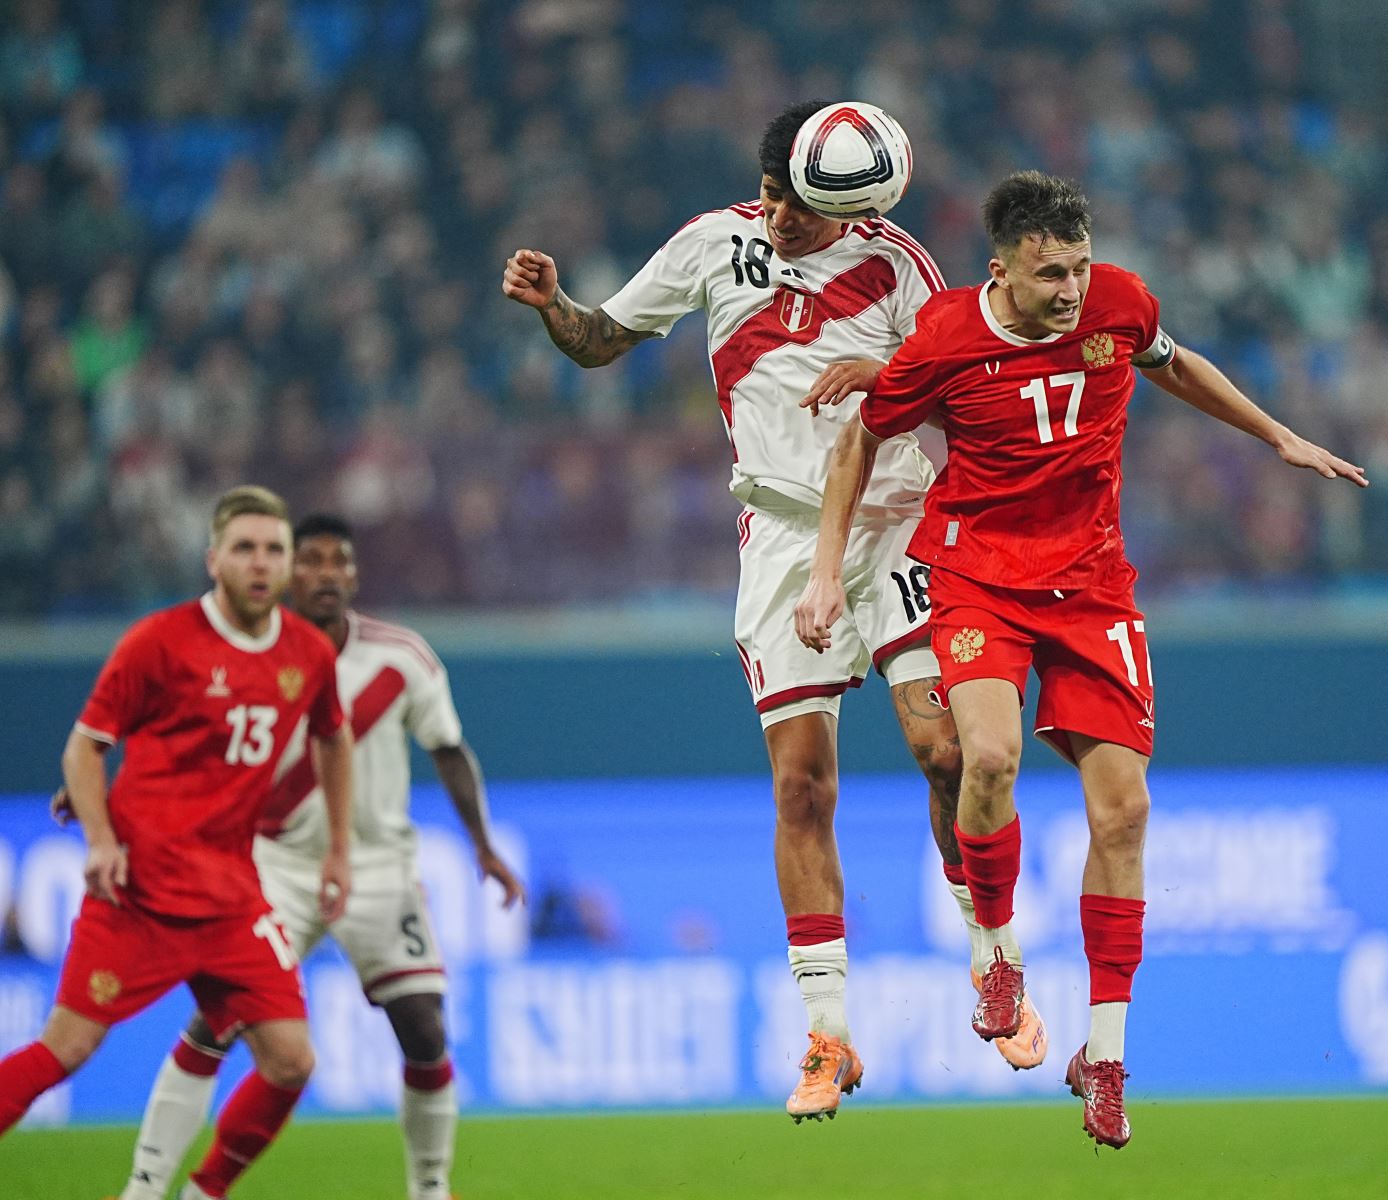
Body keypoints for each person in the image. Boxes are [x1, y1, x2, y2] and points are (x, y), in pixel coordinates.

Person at [795, 171, 1367, 1147]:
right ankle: (999, 950)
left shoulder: (1120, 305)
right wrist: (820, 574)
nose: (1069, 289)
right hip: (979, 574)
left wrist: (1278, 436)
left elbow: (1172, 362)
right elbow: (860, 439)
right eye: (1049, 272)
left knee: (1126, 809)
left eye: (1079, 266)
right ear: (1002, 268)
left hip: (1093, 587)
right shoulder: (944, 338)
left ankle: (1104, 1059)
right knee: (985, 758)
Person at [501, 100, 1045, 1121]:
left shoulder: (896, 266)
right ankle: (829, 1036)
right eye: (769, 194)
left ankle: (991, 954)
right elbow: (600, 342)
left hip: (897, 526)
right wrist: (552, 303)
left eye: (796, 205)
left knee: (946, 753)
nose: (776, 216)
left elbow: (968, 383)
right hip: (783, 543)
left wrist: (881, 373)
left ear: (848, 202)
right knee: (803, 787)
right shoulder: (714, 243)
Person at [103, 513, 526, 1200]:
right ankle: (149, 1187)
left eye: (340, 562)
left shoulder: (401, 657)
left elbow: (448, 749)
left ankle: (429, 1187)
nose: (327, 574)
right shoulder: (244, 656)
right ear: (286, 573)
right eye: (313, 561)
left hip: (381, 868)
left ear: (354, 575)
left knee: (424, 1027)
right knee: (217, 1021)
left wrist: (482, 845)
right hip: (271, 865)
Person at [0, 486, 353, 1200]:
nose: (261, 563)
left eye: (273, 550)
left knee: (291, 1061)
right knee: (66, 1048)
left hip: (230, 900)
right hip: (140, 894)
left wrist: (339, 848)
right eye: (245, 548)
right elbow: (83, 749)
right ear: (213, 560)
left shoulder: (307, 653)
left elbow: (333, 737)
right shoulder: (159, 642)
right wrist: (101, 838)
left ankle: (202, 1193)